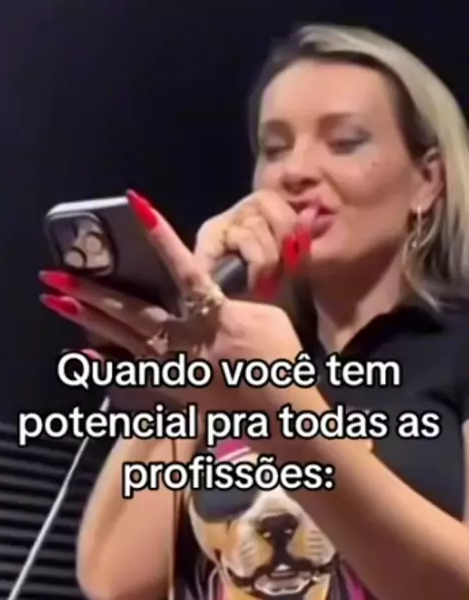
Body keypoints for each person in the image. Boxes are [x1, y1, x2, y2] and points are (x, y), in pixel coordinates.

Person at [39, 23, 469, 600]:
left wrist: (282, 409)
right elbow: (117, 578)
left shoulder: (456, 346)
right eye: (275, 148)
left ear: (428, 181)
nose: (295, 171)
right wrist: (206, 329)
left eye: (344, 141)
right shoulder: (246, 354)